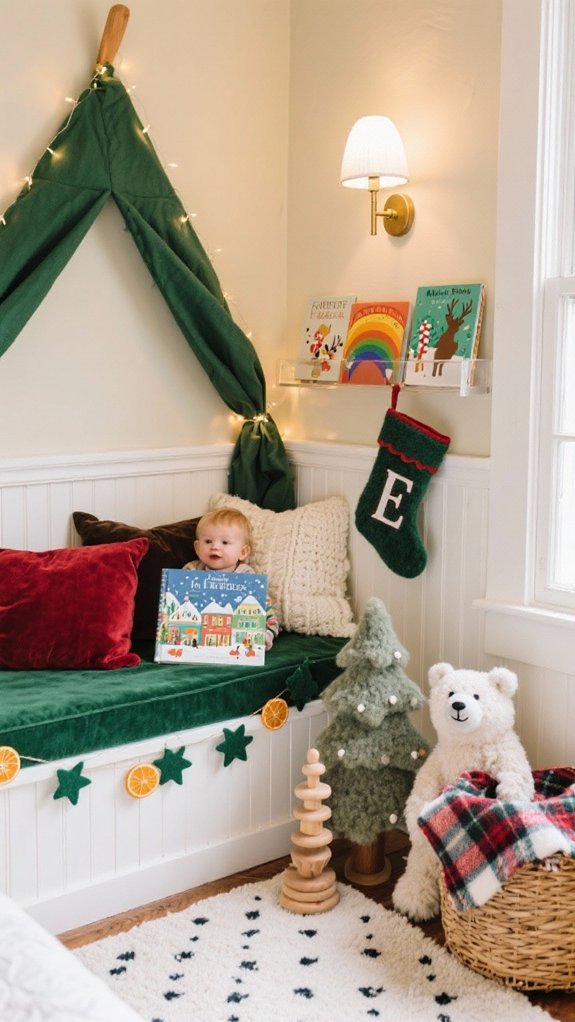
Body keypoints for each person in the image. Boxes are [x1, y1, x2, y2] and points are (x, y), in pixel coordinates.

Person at [184, 507, 279, 650]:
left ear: (243, 552)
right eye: (208, 541)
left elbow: (266, 615)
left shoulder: (248, 577)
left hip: (238, 636)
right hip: (200, 634)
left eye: (225, 543)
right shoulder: (190, 571)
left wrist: (263, 635)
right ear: (197, 548)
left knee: (267, 617)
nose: (215, 547)